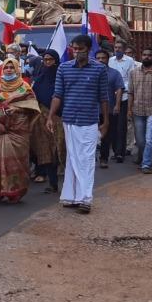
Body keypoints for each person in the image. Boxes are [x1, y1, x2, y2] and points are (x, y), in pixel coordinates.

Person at [48, 33, 109, 214]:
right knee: (73, 158)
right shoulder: (64, 68)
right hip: (69, 120)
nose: (76, 53)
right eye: (74, 49)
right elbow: (57, 95)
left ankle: (85, 199)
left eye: (80, 49)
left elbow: (104, 98)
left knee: (87, 159)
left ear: (89, 50)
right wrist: (50, 116)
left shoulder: (99, 69)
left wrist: (105, 122)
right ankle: (72, 196)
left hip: (89, 120)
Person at [0, 57, 40, 203]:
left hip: (19, 129)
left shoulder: (25, 87)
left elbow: (33, 107)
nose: (9, 70)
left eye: (12, 67)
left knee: (16, 161)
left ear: (17, 69)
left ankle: (15, 192)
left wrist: (15, 111)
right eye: (6, 67)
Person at [29, 48, 63, 193]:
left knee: (58, 150)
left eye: (50, 60)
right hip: (41, 119)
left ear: (56, 61)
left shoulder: (61, 78)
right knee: (45, 150)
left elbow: (62, 97)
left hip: (58, 119)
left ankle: (68, 184)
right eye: (45, 60)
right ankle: (52, 183)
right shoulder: (39, 78)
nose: (47, 62)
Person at [126, 46, 152, 174]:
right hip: (137, 110)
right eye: (144, 55)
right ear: (141, 56)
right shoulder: (133, 72)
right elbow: (130, 92)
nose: (146, 57)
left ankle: (146, 164)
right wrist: (129, 109)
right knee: (141, 141)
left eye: (149, 55)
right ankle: (145, 157)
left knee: (149, 139)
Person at [93, 48, 125, 169]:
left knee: (106, 136)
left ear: (108, 59)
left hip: (108, 109)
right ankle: (90, 159)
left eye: (103, 58)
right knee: (91, 135)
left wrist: (117, 105)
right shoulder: (90, 73)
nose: (100, 60)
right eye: (98, 58)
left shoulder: (114, 73)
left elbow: (119, 89)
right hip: (92, 110)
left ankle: (103, 159)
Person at [107, 39, 138, 160]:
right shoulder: (110, 61)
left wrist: (120, 87)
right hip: (111, 96)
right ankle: (115, 150)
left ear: (124, 50)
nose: (117, 49)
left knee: (121, 126)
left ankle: (121, 152)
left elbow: (131, 78)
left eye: (120, 48)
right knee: (112, 125)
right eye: (115, 47)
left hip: (124, 96)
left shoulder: (130, 61)